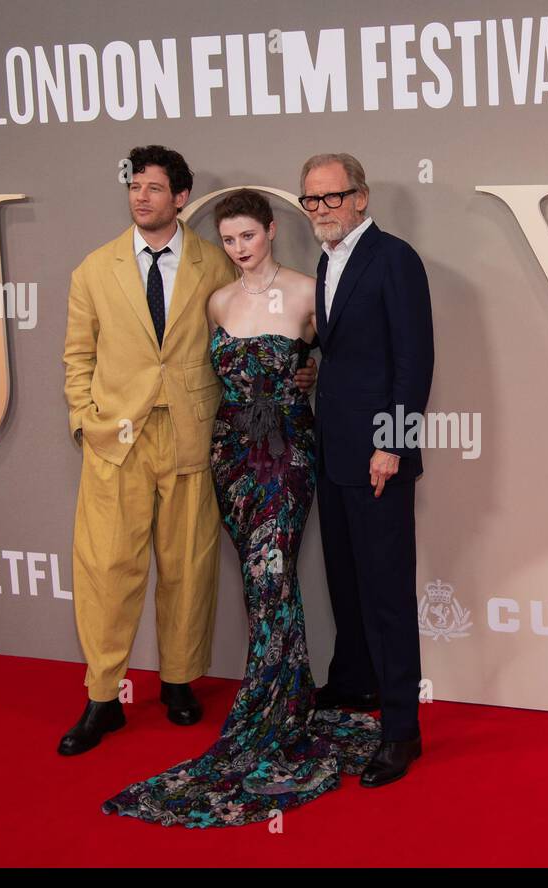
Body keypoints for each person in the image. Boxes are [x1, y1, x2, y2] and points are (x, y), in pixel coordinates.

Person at [102, 189, 381, 827]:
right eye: (228, 240)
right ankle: (288, 695)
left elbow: (346, 366)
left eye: (248, 237)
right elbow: (197, 378)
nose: (238, 249)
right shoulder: (217, 301)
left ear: (272, 231)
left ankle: (276, 705)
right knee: (262, 585)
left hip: (286, 451)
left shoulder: (310, 292)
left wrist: (308, 374)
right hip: (231, 454)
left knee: (271, 571)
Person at [59, 149, 315, 756]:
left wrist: (303, 371)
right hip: (117, 441)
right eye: (134, 187)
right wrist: (86, 422)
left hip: (197, 436)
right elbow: (77, 358)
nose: (141, 197)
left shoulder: (216, 264)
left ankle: (178, 681)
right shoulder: (93, 269)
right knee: (106, 568)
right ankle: (102, 696)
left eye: (154, 188)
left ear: (181, 197)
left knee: (188, 566)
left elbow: (257, 333)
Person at [302, 153, 434, 787]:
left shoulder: (395, 258)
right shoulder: (327, 260)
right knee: (346, 581)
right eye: (312, 200)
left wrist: (394, 446)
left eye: (333, 197)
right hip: (334, 452)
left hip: (378, 457)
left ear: (360, 196)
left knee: (385, 593)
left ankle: (401, 729)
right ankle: (354, 684)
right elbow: (350, 355)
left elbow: (414, 363)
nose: (322, 210)